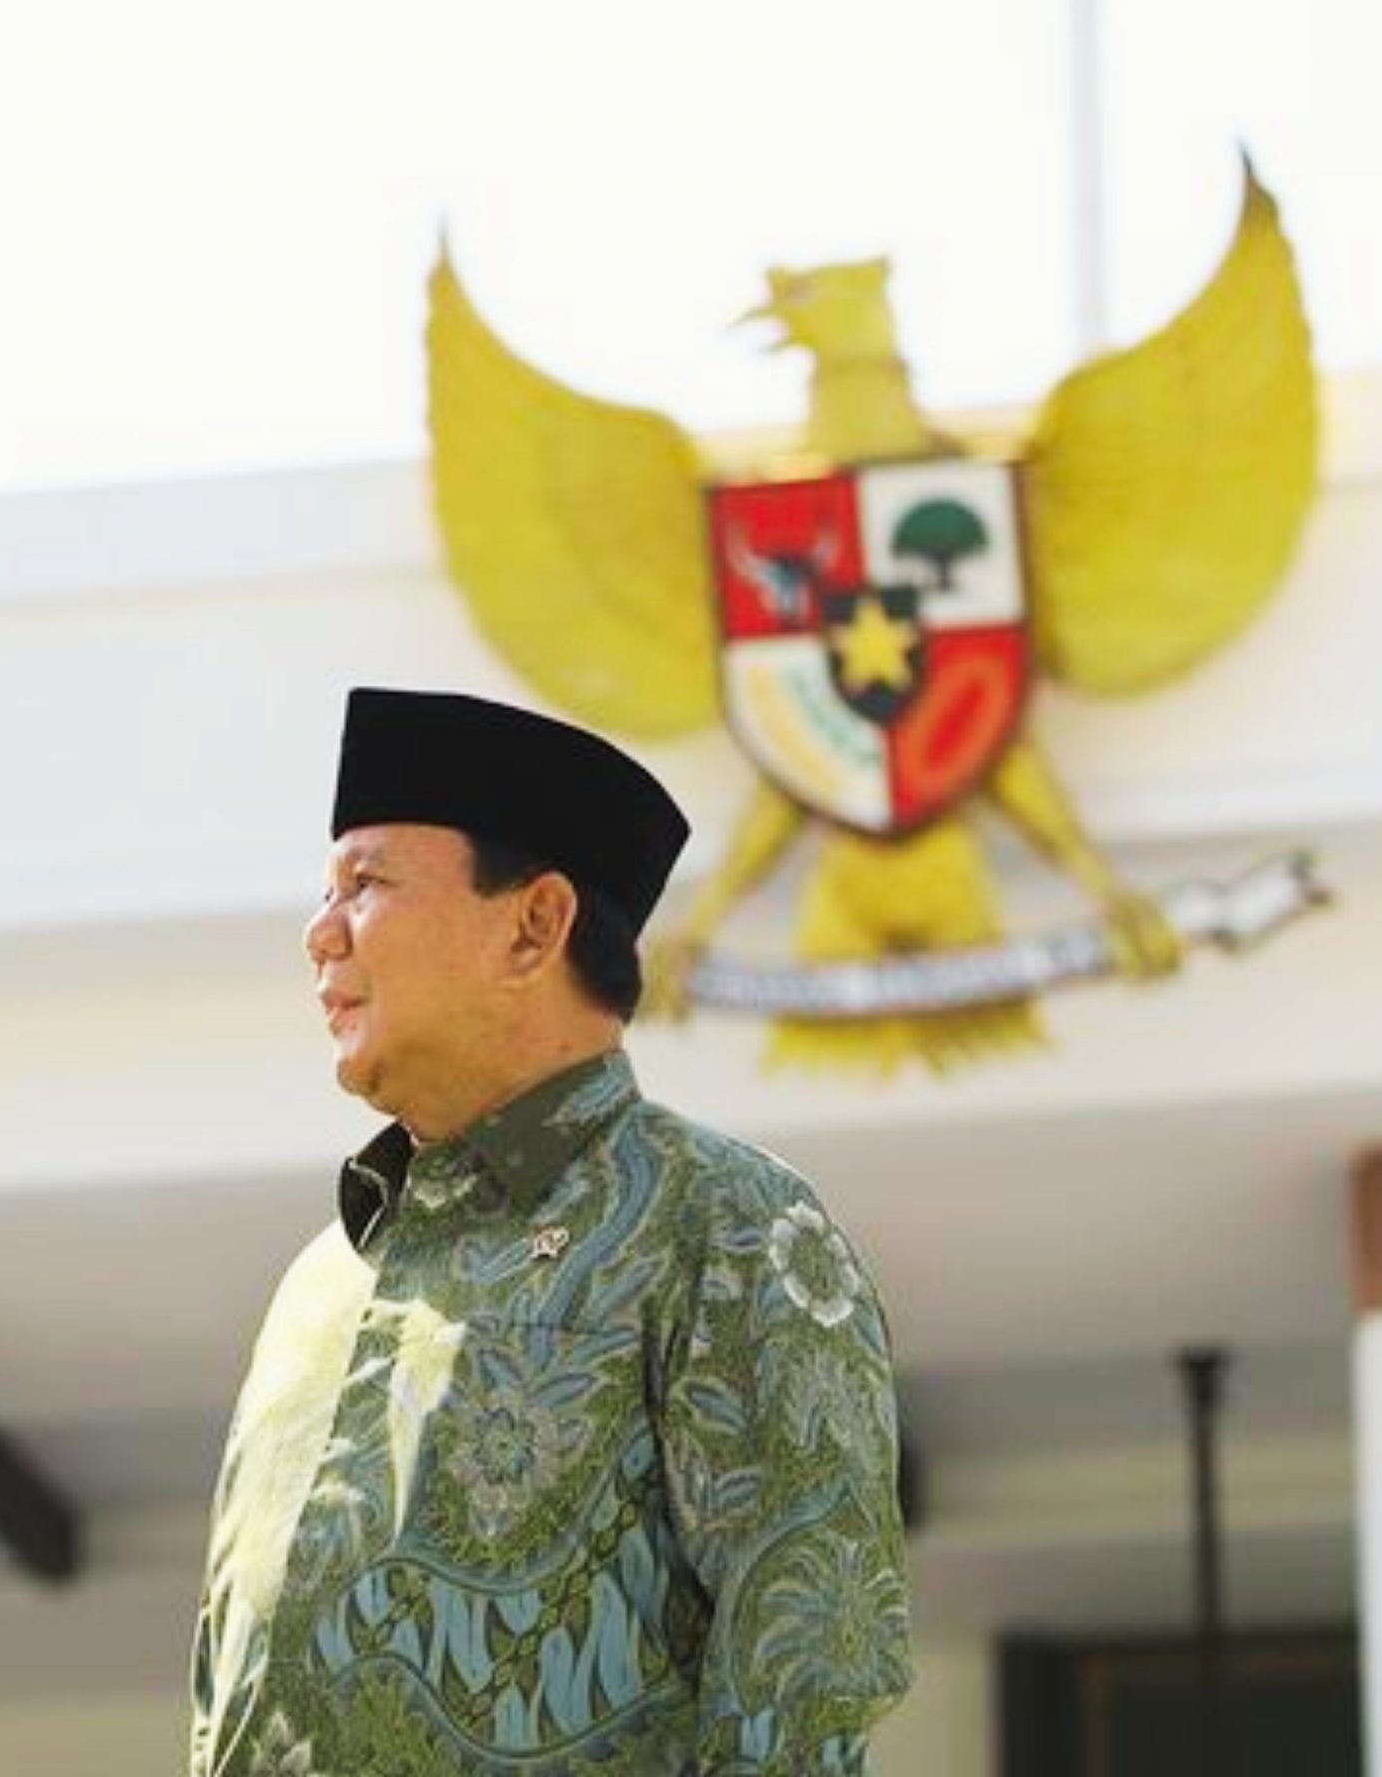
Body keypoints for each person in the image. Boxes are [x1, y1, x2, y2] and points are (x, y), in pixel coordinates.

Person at [188, 687, 910, 1775]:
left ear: (534, 924)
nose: (319, 930)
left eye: (367, 882)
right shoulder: (319, 1284)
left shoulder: (725, 1227)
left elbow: (808, 1678)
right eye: (324, 888)